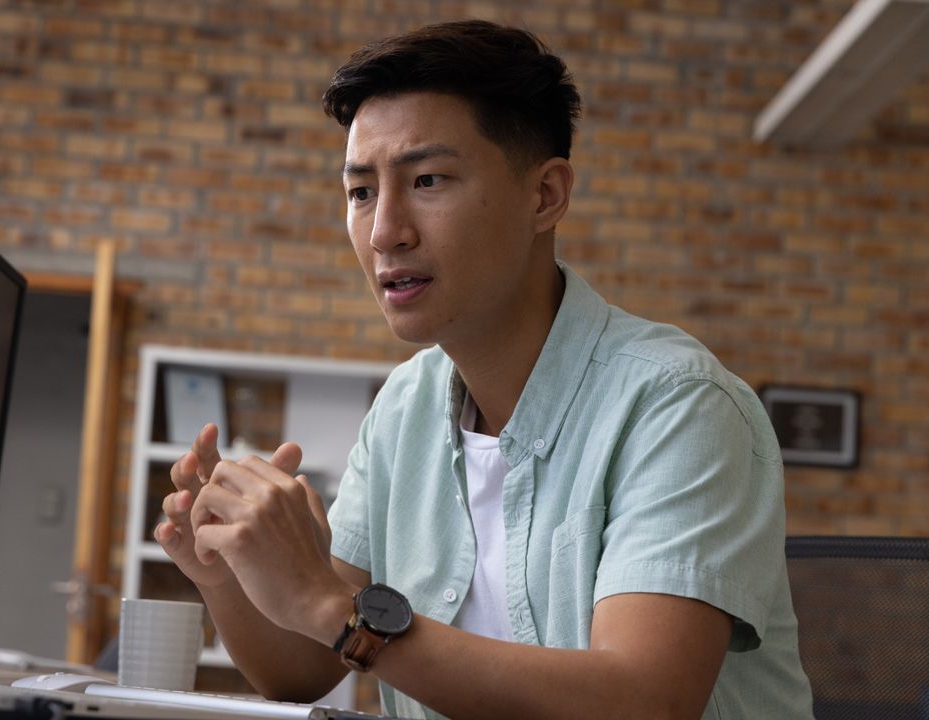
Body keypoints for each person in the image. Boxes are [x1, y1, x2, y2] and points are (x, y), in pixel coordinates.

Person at [155, 20, 815, 720]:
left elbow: (642, 702)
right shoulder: (403, 408)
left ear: (545, 196)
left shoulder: (680, 405)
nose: (384, 231)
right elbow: (302, 672)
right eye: (360, 192)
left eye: (427, 179)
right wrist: (229, 575)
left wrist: (329, 605)